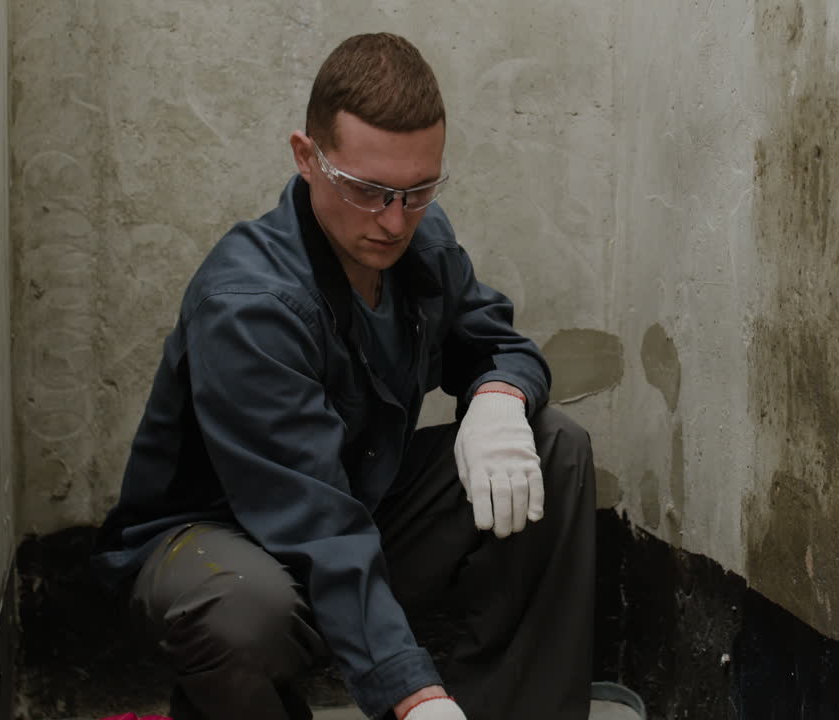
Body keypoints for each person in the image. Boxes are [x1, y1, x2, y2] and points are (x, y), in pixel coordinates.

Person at [93, 33, 597, 720]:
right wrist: (417, 699)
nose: (394, 221)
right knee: (243, 612)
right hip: (219, 543)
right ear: (307, 157)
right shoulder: (249, 306)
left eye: (418, 190)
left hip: (354, 500)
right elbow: (316, 526)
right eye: (367, 191)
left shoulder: (420, 243)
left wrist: (499, 398)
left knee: (554, 447)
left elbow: (495, 342)